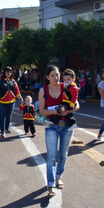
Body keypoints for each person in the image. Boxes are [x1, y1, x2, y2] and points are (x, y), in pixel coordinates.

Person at [38, 65, 80, 197]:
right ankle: (50, 184)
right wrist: (55, 111)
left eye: (57, 75)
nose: (56, 78)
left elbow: (77, 105)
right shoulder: (43, 90)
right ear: (47, 77)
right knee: (51, 156)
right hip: (51, 125)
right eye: (52, 75)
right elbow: (42, 110)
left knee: (63, 154)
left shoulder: (66, 86)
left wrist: (67, 111)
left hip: (66, 126)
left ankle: (58, 177)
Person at [0, 66, 24, 138]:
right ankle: (2, 131)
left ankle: (7, 128)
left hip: (11, 102)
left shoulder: (13, 81)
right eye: (8, 72)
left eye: (10, 72)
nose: (9, 73)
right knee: (2, 116)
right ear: (4, 72)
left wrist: (21, 99)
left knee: (9, 116)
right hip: (1, 102)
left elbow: (17, 92)